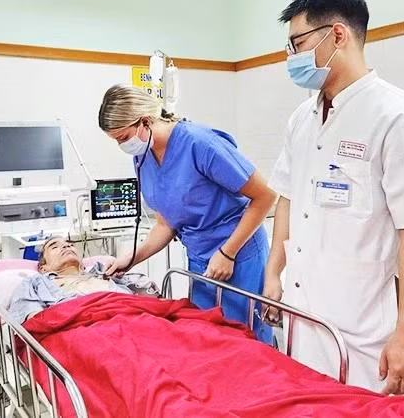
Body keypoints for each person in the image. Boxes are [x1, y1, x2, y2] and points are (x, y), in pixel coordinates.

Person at [264, 0, 404, 395]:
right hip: (303, 322)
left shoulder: (400, 119)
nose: (291, 57)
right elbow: (288, 198)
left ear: (337, 34)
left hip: (364, 337)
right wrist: (272, 274)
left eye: (297, 44)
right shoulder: (302, 119)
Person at [98, 85, 278, 342]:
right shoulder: (143, 155)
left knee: (248, 341)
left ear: (145, 122)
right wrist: (132, 258)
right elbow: (165, 224)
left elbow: (265, 196)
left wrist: (228, 252)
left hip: (240, 255)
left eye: (122, 138)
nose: (121, 146)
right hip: (200, 260)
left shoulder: (200, 143)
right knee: (209, 339)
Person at [9, 237, 159, 322]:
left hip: (133, 318)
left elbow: (149, 293)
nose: (66, 247)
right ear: (43, 268)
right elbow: (35, 320)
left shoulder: (104, 271)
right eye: (55, 247)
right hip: (84, 329)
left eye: (69, 244)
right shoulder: (36, 283)